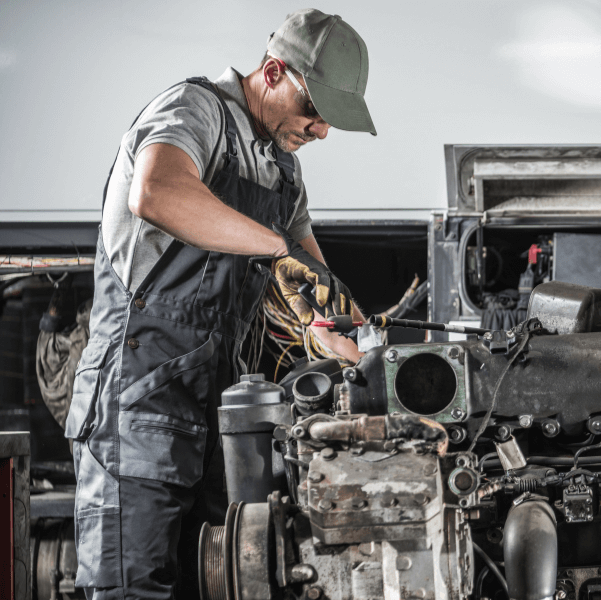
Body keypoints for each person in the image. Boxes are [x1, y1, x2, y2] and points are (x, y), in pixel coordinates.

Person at [63, 9, 374, 599]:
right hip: (139, 402)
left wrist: (361, 347)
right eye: (315, 111)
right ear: (274, 71)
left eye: (330, 121)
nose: (321, 131)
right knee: (134, 587)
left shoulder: (284, 170)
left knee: (217, 580)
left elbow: (316, 289)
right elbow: (155, 191)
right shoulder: (193, 110)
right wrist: (275, 246)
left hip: (220, 416)